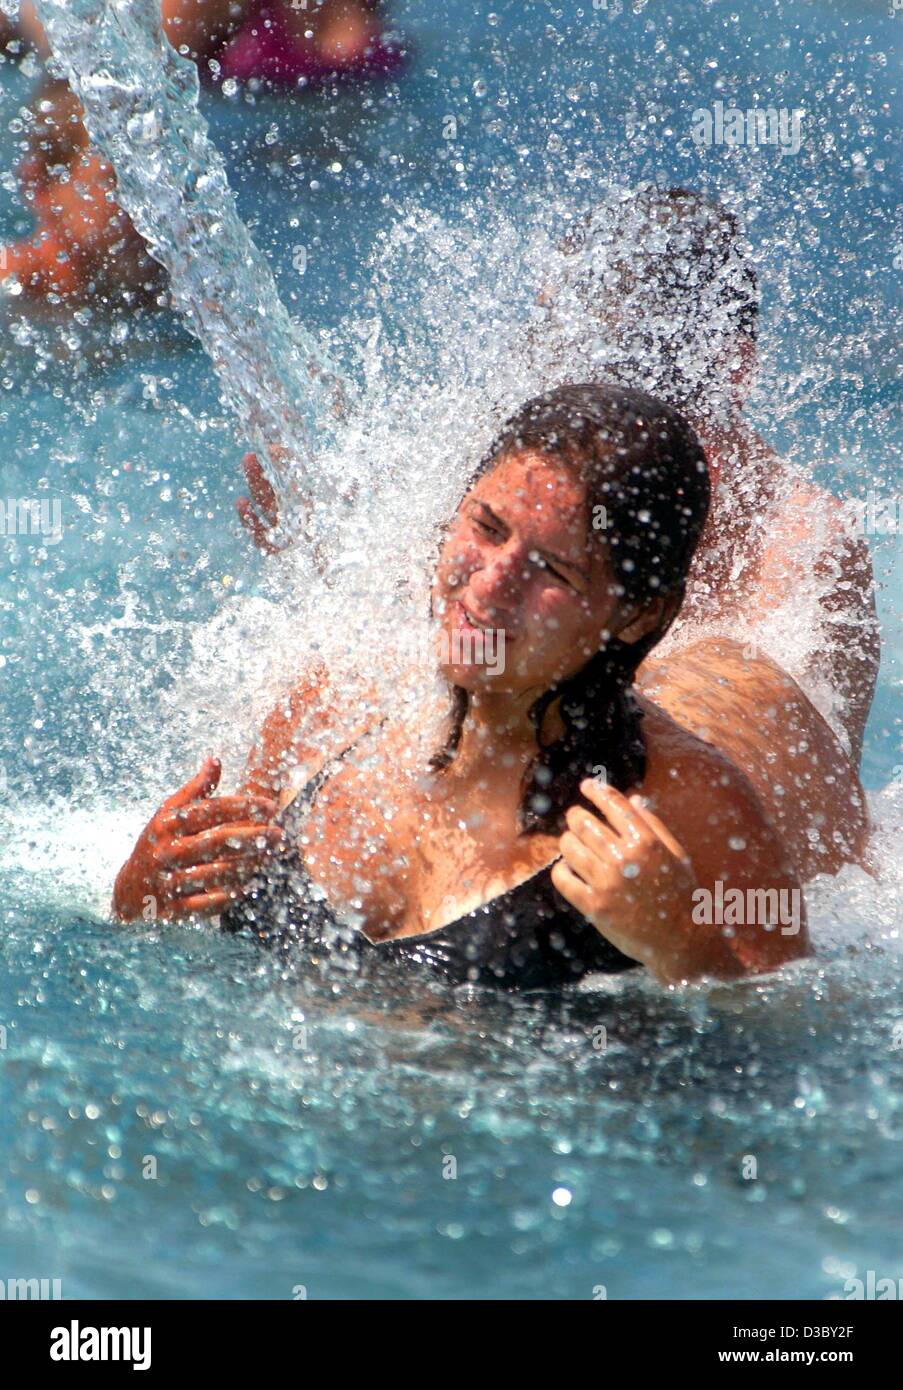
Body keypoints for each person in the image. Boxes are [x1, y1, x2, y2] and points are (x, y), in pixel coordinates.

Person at [236, 188, 874, 885]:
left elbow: (821, 807)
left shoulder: (798, 538)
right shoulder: (533, 473)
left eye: (641, 393)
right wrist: (326, 564)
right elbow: (444, 619)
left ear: (731, 369)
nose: (607, 449)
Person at [113, 383, 809, 990]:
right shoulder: (330, 706)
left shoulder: (689, 806)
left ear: (636, 616)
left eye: (553, 572)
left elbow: (793, 1049)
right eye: (486, 527)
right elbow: (182, 944)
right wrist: (142, 889)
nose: (491, 584)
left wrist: (682, 945)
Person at [0, 1, 403, 303]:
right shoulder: (14, 290)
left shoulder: (190, 296)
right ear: (39, 187)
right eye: (115, 183)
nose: (145, 207)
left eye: (159, 179)